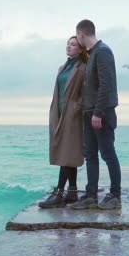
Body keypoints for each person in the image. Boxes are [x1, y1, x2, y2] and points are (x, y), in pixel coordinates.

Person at [71, 19, 122, 210]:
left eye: (77, 36)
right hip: (89, 112)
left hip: (101, 113)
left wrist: (99, 113)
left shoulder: (103, 51)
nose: (78, 40)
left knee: (107, 153)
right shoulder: (92, 54)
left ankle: (115, 195)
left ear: (81, 34)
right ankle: (91, 195)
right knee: (90, 155)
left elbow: (106, 85)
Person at [39, 36, 89, 208]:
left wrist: (77, 107)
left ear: (81, 49)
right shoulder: (63, 67)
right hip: (59, 114)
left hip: (73, 116)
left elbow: (88, 92)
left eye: (73, 44)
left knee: (67, 154)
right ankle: (72, 192)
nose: (69, 46)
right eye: (68, 43)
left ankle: (59, 193)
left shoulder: (83, 67)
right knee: (68, 154)